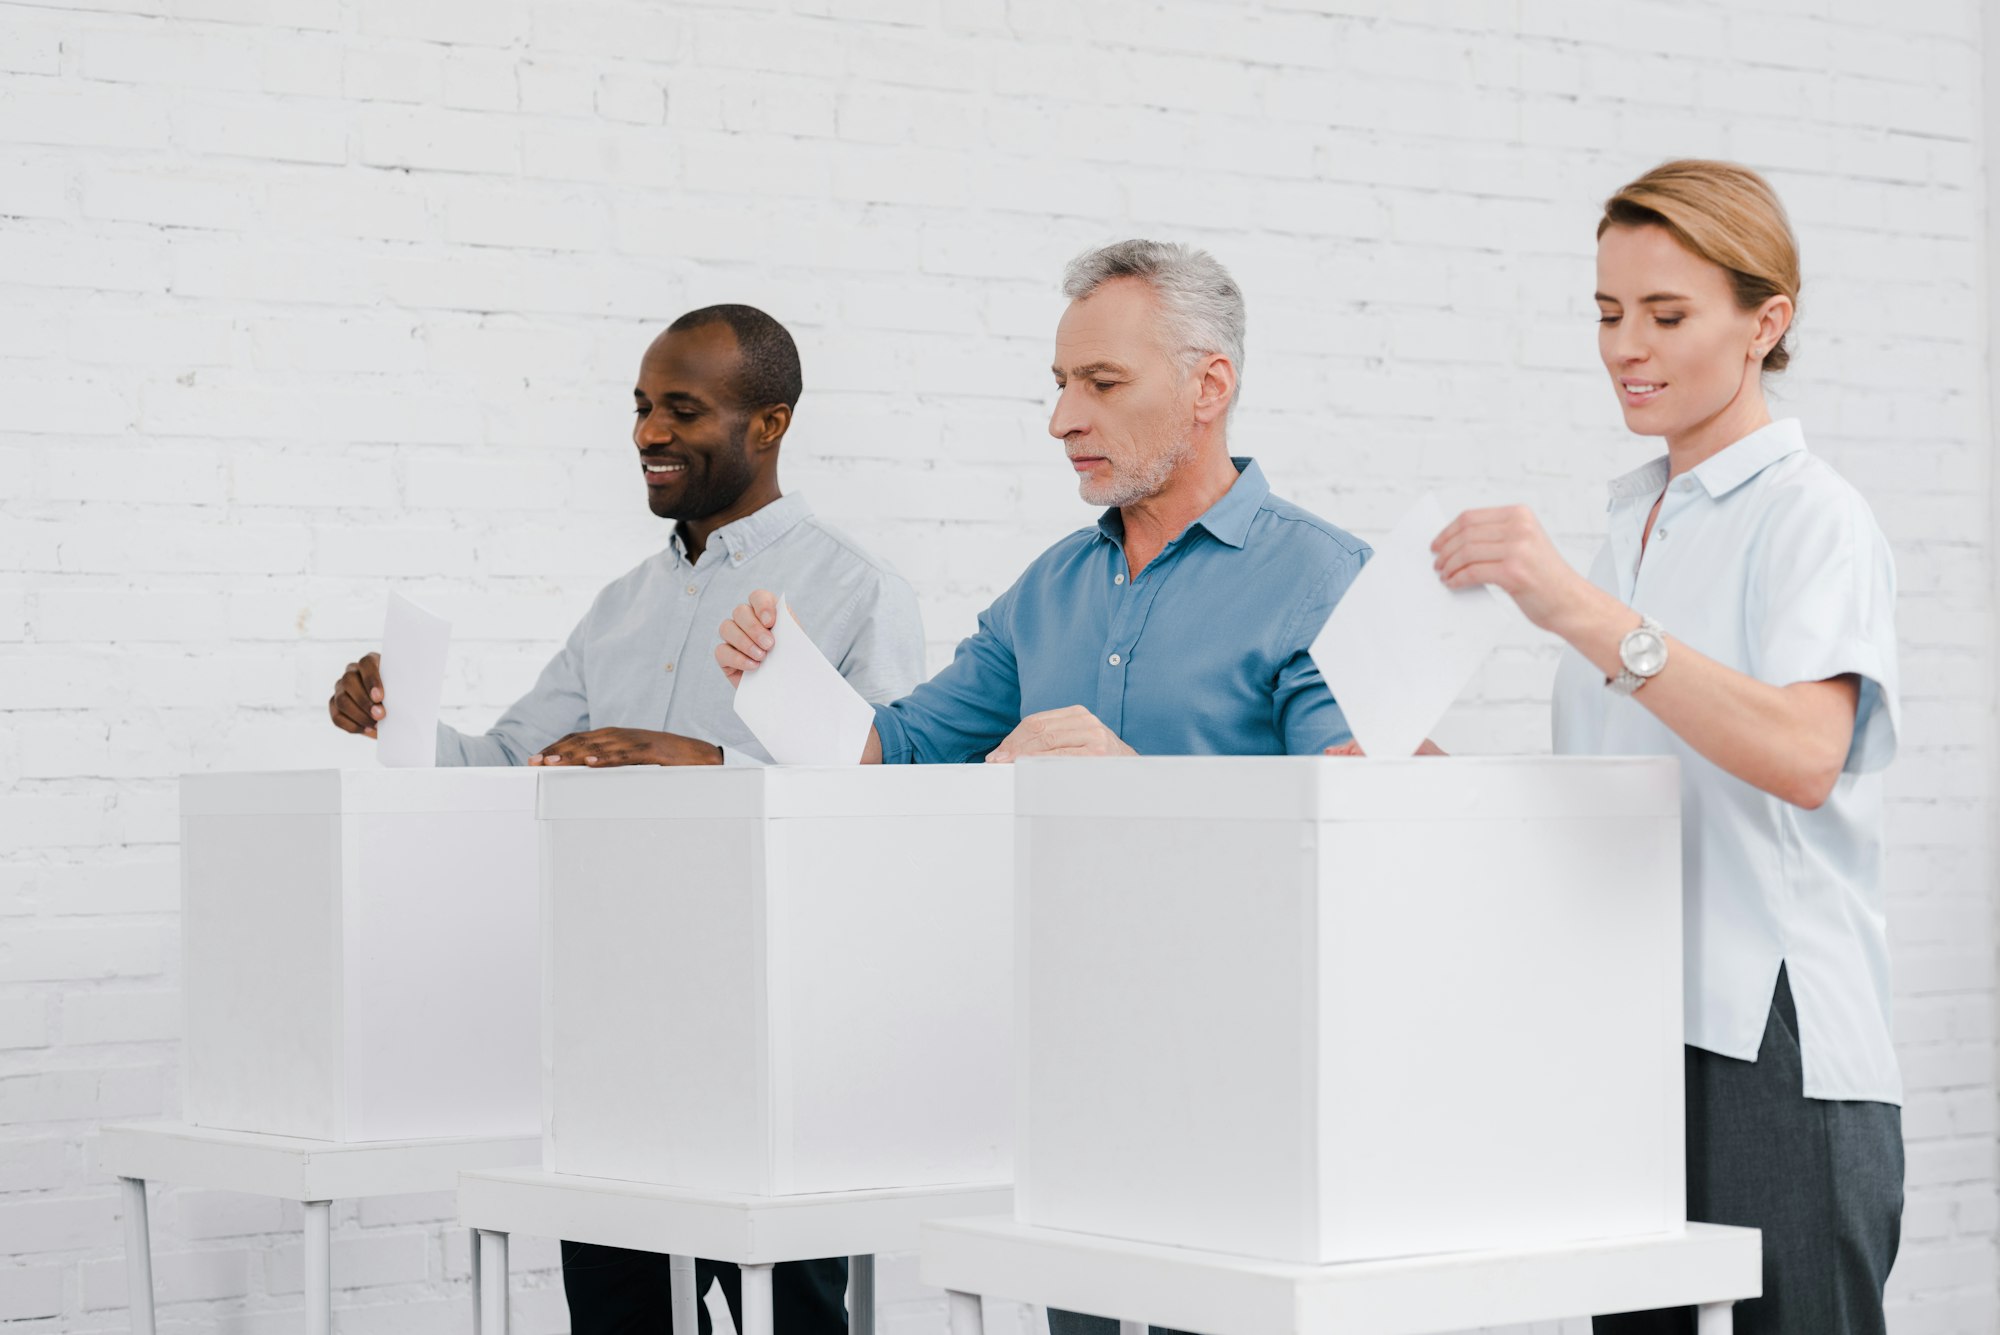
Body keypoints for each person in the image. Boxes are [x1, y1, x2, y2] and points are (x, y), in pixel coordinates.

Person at [328, 303, 922, 1335]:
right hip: (610, 1033)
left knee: (794, 1318)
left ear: (768, 424)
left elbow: (890, 818)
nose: (648, 432)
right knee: (615, 1313)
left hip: (777, 1042)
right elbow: (509, 765)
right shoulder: (616, 607)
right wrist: (400, 720)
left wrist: (706, 762)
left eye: (681, 409)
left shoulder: (856, 588)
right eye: (642, 407)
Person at [1429, 161, 1902, 1334]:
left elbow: (1802, 751)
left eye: (1666, 314)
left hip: (1772, 1040)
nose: (1623, 347)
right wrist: (1423, 781)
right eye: (1605, 313)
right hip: (1630, 1029)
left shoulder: (1810, 515)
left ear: (1765, 322)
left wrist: (1576, 610)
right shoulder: (1630, 522)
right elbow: (1627, 800)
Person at [717, 239, 1370, 769]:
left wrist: (1129, 784)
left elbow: (1337, 826)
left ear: (1209, 387)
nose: (1062, 420)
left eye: (1103, 383)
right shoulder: (1043, 593)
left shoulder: (1324, 579)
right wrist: (780, 676)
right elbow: (901, 753)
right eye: (1062, 384)